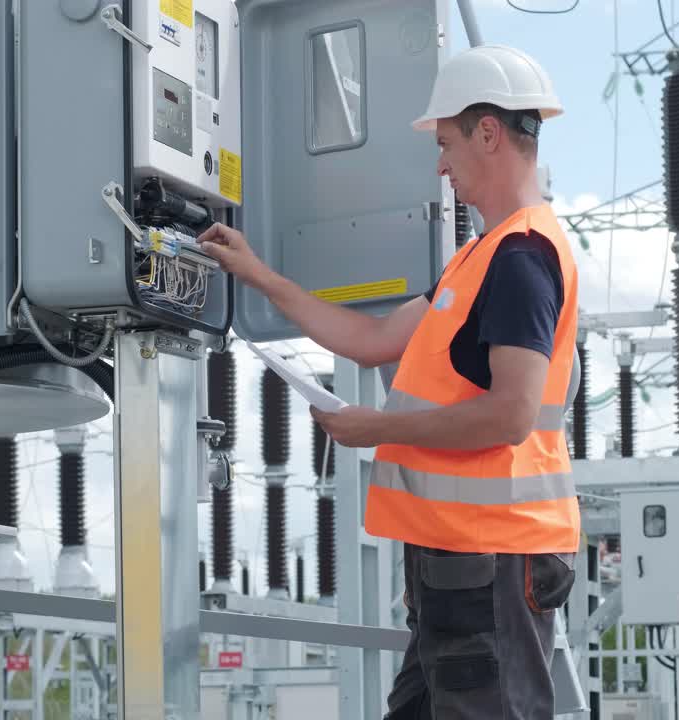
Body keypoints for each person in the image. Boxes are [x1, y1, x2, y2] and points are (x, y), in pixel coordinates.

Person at [198, 44, 580, 718]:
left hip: (490, 558)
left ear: (487, 133)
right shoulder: (477, 261)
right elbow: (370, 341)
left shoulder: (521, 259)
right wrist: (257, 275)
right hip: (456, 564)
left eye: (446, 144)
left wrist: (377, 429)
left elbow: (510, 415)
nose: (441, 164)